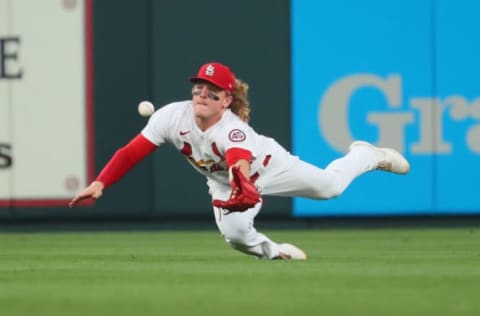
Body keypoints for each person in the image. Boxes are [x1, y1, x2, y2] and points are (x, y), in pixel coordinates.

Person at [69, 62, 410, 260]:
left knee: (330, 188)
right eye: (199, 88)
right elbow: (130, 153)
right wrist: (101, 183)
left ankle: (364, 155)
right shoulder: (171, 117)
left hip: (267, 165)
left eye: (211, 91)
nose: (202, 95)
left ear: (226, 99)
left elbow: (238, 160)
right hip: (222, 181)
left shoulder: (233, 130)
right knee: (236, 238)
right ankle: (278, 254)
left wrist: (243, 184)